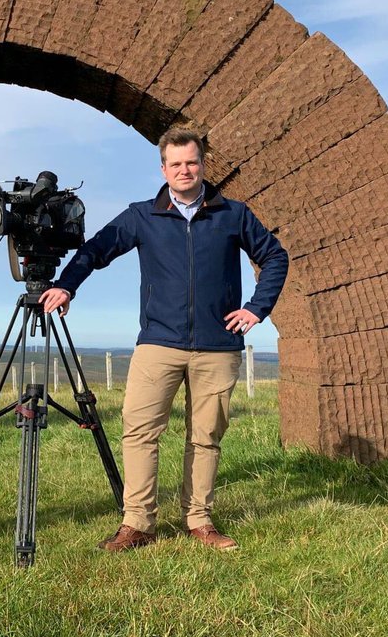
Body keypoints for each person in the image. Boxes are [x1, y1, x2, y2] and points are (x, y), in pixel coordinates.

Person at [40, 126, 288, 552]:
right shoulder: (141, 216)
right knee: (139, 432)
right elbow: (96, 250)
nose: (184, 170)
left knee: (205, 437)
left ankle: (200, 521)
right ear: (163, 169)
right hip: (158, 342)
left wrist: (256, 308)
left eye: (191, 162)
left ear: (203, 165)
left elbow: (274, 256)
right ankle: (138, 523)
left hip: (218, 345)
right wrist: (67, 285)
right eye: (176, 164)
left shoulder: (233, 214)